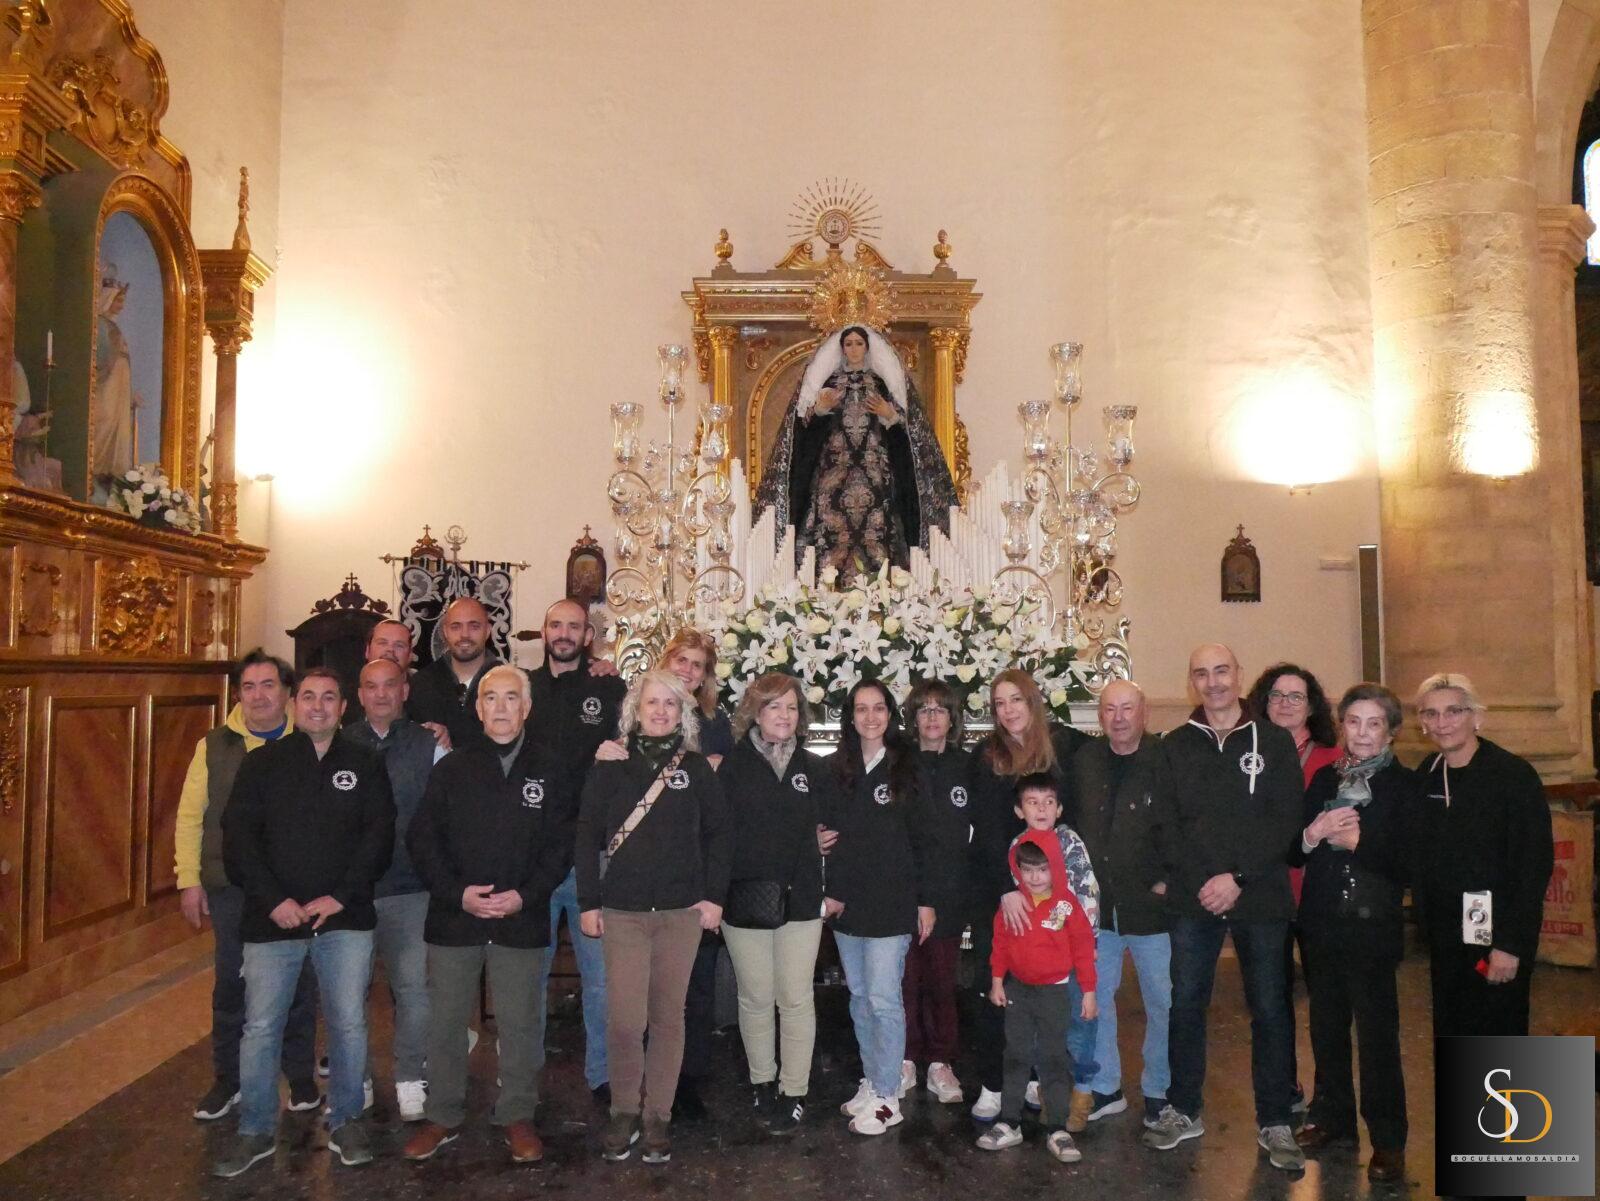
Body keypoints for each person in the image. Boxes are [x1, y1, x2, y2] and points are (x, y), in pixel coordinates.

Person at [211, 668, 395, 1179]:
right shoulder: (261, 763)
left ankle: (347, 1120)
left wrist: (339, 896)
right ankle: (253, 1129)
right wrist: (275, 901)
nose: (317, 706)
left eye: (328, 698)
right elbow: (239, 840)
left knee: (349, 1022)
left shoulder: (365, 764)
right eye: (308, 697)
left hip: (345, 918)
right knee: (261, 1026)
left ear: (343, 708)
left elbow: (378, 837)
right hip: (273, 921)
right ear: (294, 704)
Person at [401, 665, 573, 1165]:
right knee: (447, 1020)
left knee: (520, 1021)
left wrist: (527, 895)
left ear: (527, 707)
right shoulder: (451, 768)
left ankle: (517, 1113)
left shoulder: (551, 767)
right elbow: (423, 840)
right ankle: (443, 1115)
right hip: (457, 916)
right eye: (490, 698)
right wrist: (459, 894)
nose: (500, 707)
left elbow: (561, 845)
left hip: (521, 914)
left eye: (511, 698)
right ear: (477, 709)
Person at [1143, 644, 1305, 1173]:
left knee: (1270, 1007)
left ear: (1238, 676)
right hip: (1195, 899)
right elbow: (1165, 825)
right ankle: (1183, 1108)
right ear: (1191, 682)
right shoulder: (1173, 746)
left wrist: (1237, 878)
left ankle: (1276, 1118)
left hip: (1259, 895)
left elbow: (1284, 821)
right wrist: (1205, 882)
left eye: (1221, 671)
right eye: (1201, 674)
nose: (1212, 682)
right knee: (1186, 1002)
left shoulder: (1274, 742)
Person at [575, 671, 729, 1165]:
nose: (660, 711)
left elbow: (719, 836)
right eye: (651, 703)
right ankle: (623, 1108)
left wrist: (713, 898)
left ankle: (657, 1115)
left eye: (669, 704)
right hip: (623, 910)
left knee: (668, 1018)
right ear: (634, 710)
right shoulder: (610, 764)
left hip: (681, 912)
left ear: (682, 712)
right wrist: (588, 902)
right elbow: (585, 837)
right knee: (624, 1020)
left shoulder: (697, 769)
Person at [174, 649, 320, 1123]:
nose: (258, 696)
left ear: (286, 692)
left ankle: (298, 1075)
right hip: (233, 886)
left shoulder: (313, 740)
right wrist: (188, 880)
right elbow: (192, 816)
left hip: (296, 885)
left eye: (269, 685)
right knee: (232, 983)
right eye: (249, 687)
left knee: (300, 981)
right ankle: (227, 1079)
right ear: (238, 694)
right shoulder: (214, 745)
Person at [1292, 683, 1418, 1185]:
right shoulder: (1324, 777)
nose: (1363, 733)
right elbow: (1293, 849)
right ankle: (1333, 1118)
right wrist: (1313, 834)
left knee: (1377, 1036)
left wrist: (1358, 842)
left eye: (1374, 724)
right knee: (1325, 1027)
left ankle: (1387, 1139)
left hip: (1372, 926)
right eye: (1354, 722)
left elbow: (1409, 862)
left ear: (1390, 731)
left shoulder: (1403, 786)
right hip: (1322, 923)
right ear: (1341, 726)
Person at [967, 667, 1090, 1121]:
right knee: (998, 987)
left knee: (1047, 991)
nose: (1008, 711)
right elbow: (982, 831)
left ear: (1033, 701)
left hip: (1050, 896)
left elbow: (1072, 822)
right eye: (999, 704)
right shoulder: (985, 756)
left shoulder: (1063, 748)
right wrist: (1006, 889)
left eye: (1015, 700)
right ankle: (994, 1084)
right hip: (1002, 894)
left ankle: (1037, 1079)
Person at [752, 323, 957, 587]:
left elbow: (907, 432)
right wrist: (820, 410)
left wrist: (889, 415)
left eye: (859, 343)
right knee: (830, 525)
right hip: (834, 471)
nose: (854, 349)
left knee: (877, 527)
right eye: (848, 344)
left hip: (874, 469)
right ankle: (827, 587)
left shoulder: (881, 384)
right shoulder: (829, 384)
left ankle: (881, 589)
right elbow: (804, 429)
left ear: (867, 347)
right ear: (842, 349)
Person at [716, 672, 830, 1135]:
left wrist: (822, 844)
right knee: (756, 996)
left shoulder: (813, 769)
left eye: (790, 707)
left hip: (801, 899)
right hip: (744, 900)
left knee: (796, 997)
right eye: (773, 707)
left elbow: (834, 829)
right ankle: (762, 1080)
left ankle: (795, 1089)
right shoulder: (734, 767)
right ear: (755, 713)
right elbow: (719, 836)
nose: (783, 716)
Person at [1412, 672, 1554, 1037]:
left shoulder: (1513, 776)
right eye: (1431, 714)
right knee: (1454, 1035)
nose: (1442, 723)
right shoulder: (1427, 773)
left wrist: (1511, 944)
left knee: (1502, 1043)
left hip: (1498, 935)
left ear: (1477, 716)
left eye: (1454, 711)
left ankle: (1525, 1097)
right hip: (1446, 936)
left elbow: (1533, 867)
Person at [338, 657, 445, 1122]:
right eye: (370, 686)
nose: (381, 694)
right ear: (359, 695)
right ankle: (355, 1079)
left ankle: (408, 1077)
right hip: (350, 892)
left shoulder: (429, 744)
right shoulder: (336, 745)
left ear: (405, 691)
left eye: (390, 685)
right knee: (349, 994)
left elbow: (446, 813)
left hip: (410, 888)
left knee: (413, 990)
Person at [530, 597, 627, 1104]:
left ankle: (603, 1075)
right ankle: (524, 1074)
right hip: (534, 858)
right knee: (530, 974)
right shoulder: (522, 688)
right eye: (555, 624)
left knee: (599, 980)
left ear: (589, 636)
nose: (564, 633)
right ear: (543, 631)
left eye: (574, 626)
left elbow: (628, 756)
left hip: (592, 857)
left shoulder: (609, 687)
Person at [826, 680, 933, 1136]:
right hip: (847, 903)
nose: (870, 717)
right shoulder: (837, 768)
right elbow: (824, 827)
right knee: (859, 998)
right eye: (861, 709)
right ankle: (873, 1080)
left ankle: (890, 1096)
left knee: (885, 999)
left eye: (879, 708)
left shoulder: (907, 766)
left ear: (891, 715)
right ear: (850, 716)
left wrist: (926, 900)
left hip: (892, 902)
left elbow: (927, 840)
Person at [1073, 680, 1173, 1129]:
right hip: (1100, 908)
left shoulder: (1166, 759)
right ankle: (1106, 1086)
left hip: (1152, 907)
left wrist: (1170, 879)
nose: (1118, 717)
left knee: (1162, 1001)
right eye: (1110, 709)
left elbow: (1186, 824)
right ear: (1101, 715)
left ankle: (1159, 1090)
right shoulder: (1085, 762)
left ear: (1144, 711)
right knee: (1095, 1001)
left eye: (1127, 708)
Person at [1247, 661, 1339, 1113]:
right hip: (1268, 892)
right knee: (1272, 1002)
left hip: (1319, 894)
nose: (1284, 704)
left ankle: (1329, 1094)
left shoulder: (1331, 757)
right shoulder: (1250, 754)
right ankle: (1284, 1089)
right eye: (1276, 696)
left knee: (1325, 1004)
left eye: (1295, 697)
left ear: (1311, 707)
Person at [977, 830, 1099, 1164]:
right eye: (1027, 870)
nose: (1034, 877)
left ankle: (1057, 1128)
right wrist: (997, 982)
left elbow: (1084, 950)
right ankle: (1009, 1121)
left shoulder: (1067, 906)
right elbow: (999, 945)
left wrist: (1088, 992)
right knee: (1015, 1055)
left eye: (1042, 870)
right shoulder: (1011, 905)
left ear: (1055, 869)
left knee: (1053, 1059)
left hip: (1055, 993)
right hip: (1018, 990)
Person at [900, 678, 971, 1105]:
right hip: (905, 890)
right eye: (924, 709)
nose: (931, 717)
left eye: (939, 709)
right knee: (906, 980)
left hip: (950, 891)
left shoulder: (967, 766)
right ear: (913, 718)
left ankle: (941, 1062)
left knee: (943, 981)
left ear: (952, 718)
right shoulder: (898, 764)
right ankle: (906, 1056)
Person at [407, 598, 497, 746]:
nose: (464, 635)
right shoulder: (421, 685)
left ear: (487, 631)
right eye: (456, 627)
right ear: (445, 632)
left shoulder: (509, 684)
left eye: (474, 626)